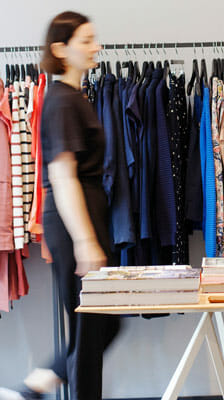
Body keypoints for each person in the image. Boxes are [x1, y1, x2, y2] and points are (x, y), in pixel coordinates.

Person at [0, 11, 120, 400]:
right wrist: (85, 241)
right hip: (75, 221)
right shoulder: (62, 101)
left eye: (93, 38)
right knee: (90, 325)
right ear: (60, 48)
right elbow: (64, 176)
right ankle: (36, 387)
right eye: (85, 40)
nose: (95, 46)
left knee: (104, 323)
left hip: (86, 214)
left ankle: (35, 386)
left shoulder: (73, 97)